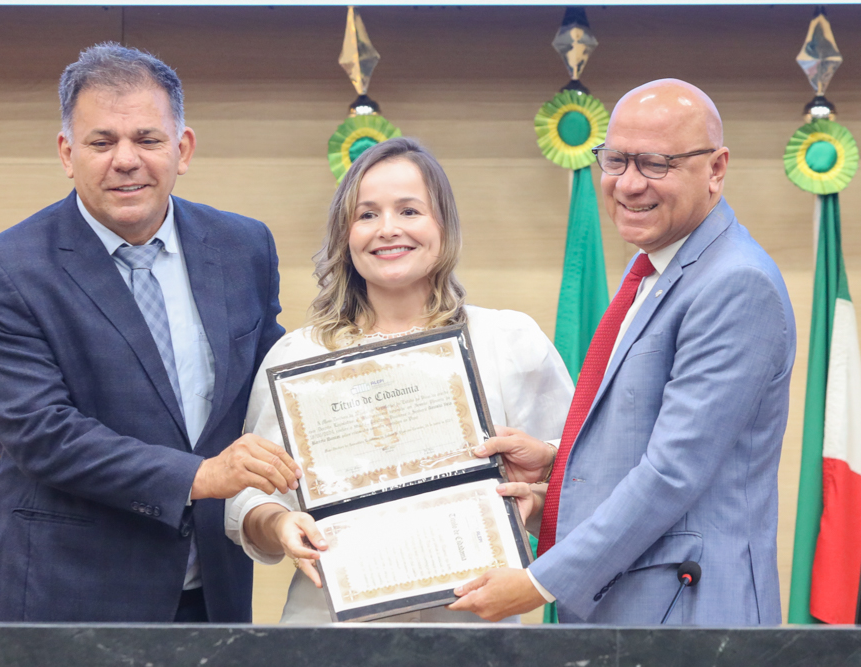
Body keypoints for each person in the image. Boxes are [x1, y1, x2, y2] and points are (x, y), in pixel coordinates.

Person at [0, 43, 302, 623]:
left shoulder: (243, 246)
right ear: (67, 153)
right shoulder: (4, 272)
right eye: (101, 142)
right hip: (63, 597)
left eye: (147, 139)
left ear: (182, 148)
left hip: (210, 594)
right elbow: (44, 435)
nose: (126, 160)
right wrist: (201, 475)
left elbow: (279, 386)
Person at [449, 79, 796, 625]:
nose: (628, 184)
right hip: (639, 612)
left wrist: (539, 582)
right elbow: (648, 430)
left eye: (656, 163)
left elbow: (672, 472)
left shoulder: (735, 283)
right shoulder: (660, 269)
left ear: (717, 169)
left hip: (689, 620)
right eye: (615, 160)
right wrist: (558, 461)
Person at [224, 137, 575, 623]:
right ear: (345, 234)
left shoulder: (509, 340)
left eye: (409, 211)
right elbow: (250, 499)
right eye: (366, 215)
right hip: (328, 635)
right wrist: (281, 524)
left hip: (473, 636)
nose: (387, 230)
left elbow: (577, 484)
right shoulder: (299, 357)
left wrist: (528, 502)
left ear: (443, 225)